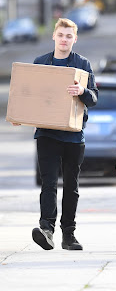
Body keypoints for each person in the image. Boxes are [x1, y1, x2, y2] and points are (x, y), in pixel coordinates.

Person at [13, 18, 98, 251]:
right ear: (54, 36)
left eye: (69, 36)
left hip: (74, 136)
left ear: (75, 39)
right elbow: (29, 96)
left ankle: (68, 235)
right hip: (47, 134)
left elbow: (94, 98)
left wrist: (82, 91)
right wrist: (22, 115)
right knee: (48, 183)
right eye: (61, 35)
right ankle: (46, 230)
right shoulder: (41, 63)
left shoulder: (82, 65)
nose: (64, 39)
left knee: (71, 186)